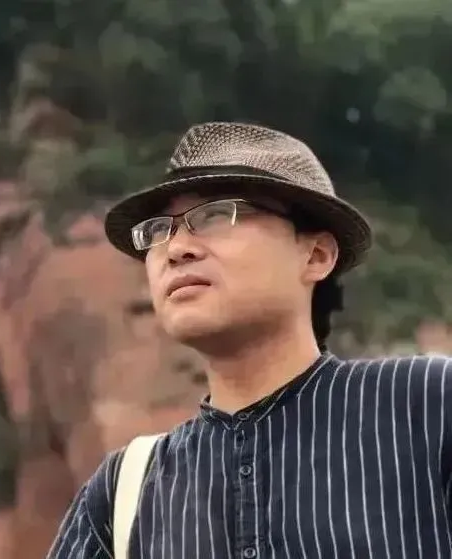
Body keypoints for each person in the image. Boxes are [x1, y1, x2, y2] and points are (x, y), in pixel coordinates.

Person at [47, 122, 452, 558]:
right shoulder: (123, 495)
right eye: (159, 230)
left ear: (316, 255)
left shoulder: (426, 407)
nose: (176, 249)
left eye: (216, 215)